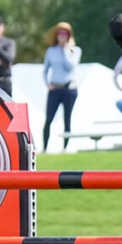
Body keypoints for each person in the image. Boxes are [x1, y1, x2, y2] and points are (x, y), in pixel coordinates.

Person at [41, 22, 81, 152]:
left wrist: (65, 50)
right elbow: (45, 70)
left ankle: (65, 148)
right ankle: (45, 147)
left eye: (65, 34)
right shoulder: (51, 51)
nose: (62, 36)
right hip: (55, 88)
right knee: (49, 118)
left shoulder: (75, 50)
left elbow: (70, 66)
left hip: (69, 89)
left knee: (67, 118)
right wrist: (48, 83)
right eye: (60, 33)